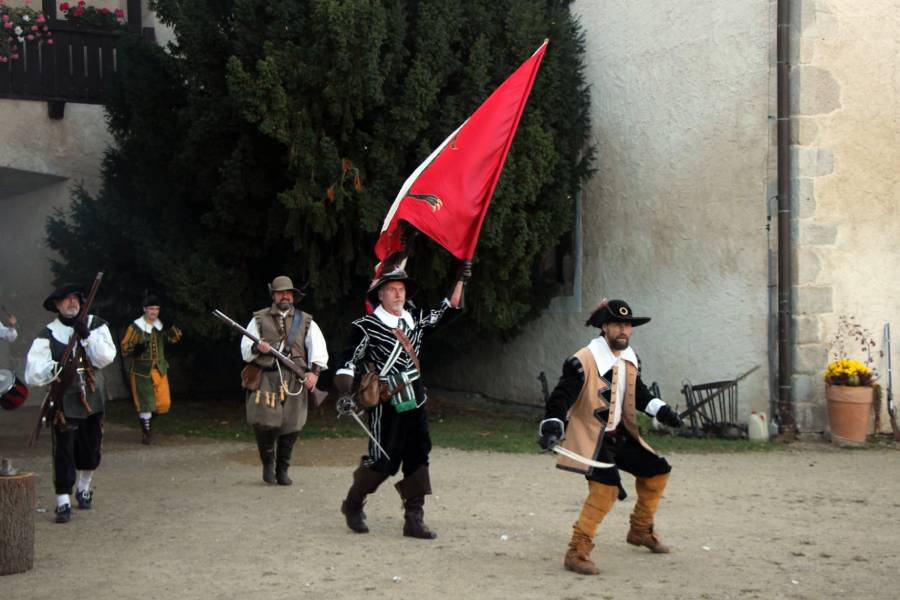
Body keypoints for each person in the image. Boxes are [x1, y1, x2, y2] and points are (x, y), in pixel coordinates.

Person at [538, 298, 683, 575]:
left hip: (620, 434)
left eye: (627, 325)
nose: (624, 330)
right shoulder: (582, 361)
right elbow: (561, 396)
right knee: (606, 489)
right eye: (617, 324)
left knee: (657, 471)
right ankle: (577, 549)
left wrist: (661, 410)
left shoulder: (630, 358)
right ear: (604, 327)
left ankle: (640, 530)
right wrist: (553, 424)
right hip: (591, 437)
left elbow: (639, 394)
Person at [334, 263, 468, 539]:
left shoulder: (415, 318)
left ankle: (414, 519)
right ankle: (353, 503)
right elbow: (348, 361)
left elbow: (448, 308)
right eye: (392, 290)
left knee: (419, 456)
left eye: (402, 289)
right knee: (383, 460)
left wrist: (461, 277)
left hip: (415, 400)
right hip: (386, 404)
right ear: (380, 295)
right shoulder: (366, 327)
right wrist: (346, 392)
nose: (398, 295)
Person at [24, 284, 117, 523]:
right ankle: (63, 501)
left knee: (91, 444)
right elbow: (33, 372)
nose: (71, 303)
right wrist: (57, 369)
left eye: (74, 299)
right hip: (64, 400)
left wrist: (86, 335)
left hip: (93, 396)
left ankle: (85, 487)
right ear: (57, 305)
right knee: (64, 449)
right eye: (65, 300)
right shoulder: (48, 333)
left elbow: (106, 356)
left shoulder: (95, 324)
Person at [241, 276, 328, 486]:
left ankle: (283, 469)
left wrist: (314, 374)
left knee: (292, 424)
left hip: (294, 380)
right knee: (264, 423)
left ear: (293, 296)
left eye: (288, 293)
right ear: (274, 295)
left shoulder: (305, 320)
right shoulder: (259, 319)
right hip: (266, 378)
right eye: (280, 293)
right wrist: (256, 348)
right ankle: (268, 464)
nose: (285, 296)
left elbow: (318, 349)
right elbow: (245, 350)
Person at [120, 294, 183, 444]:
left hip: (160, 368)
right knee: (145, 402)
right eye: (151, 309)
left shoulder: (161, 326)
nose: (154, 312)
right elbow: (125, 348)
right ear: (144, 309)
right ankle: (146, 431)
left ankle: (146, 420)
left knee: (164, 403)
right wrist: (136, 351)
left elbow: (176, 338)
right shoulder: (135, 327)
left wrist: (170, 326)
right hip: (141, 370)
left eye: (156, 309)